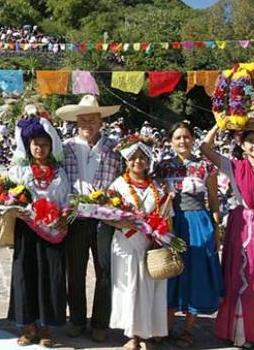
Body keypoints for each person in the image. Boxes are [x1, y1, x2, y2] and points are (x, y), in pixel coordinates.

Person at [200, 126, 254, 348]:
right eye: (251, 140)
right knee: (246, 278)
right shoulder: (235, 167)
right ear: (242, 145)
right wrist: (219, 123)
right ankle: (243, 333)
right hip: (245, 226)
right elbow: (205, 148)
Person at [55, 94, 122, 341]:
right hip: (76, 215)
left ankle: (100, 322)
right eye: (82, 120)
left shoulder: (115, 147)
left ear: (101, 121)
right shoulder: (66, 147)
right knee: (75, 270)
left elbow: (125, 179)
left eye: (91, 119)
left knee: (105, 270)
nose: (87, 124)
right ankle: (77, 319)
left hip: (105, 217)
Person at [153, 122, 223, 347]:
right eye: (177, 138)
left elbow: (213, 201)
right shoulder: (163, 167)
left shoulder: (206, 167)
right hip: (173, 224)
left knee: (196, 274)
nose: (182, 141)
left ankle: (188, 330)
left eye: (186, 136)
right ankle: (165, 326)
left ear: (192, 139)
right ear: (171, 141)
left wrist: (217, 232)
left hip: (199, 224)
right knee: (171, 273)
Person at [7, 108, 69, 347]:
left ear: (51, 146)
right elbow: (11, 194)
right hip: (27, 229)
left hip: (52, 231)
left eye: (44, 144)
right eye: (35, 144)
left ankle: (46, 327)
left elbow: (65, 199)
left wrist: (61, 215)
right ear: (29, 145)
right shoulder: (20, 170)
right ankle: (28, 326)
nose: (39, 148)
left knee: (50, 276)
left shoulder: (59, 173)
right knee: (25, 274)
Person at [107, 136, 169, 350]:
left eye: (143, 158)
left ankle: (147, 333)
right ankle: (131, 334)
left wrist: (159, 232)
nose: (138, 162)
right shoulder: (117, 186)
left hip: (150, 244)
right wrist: (123, 222)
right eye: (133, 158)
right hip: (126, 242)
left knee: (151, 288)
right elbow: (109, 214)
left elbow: (166, 215)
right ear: (126, 161)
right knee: (129, 286)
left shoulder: (157, 189)